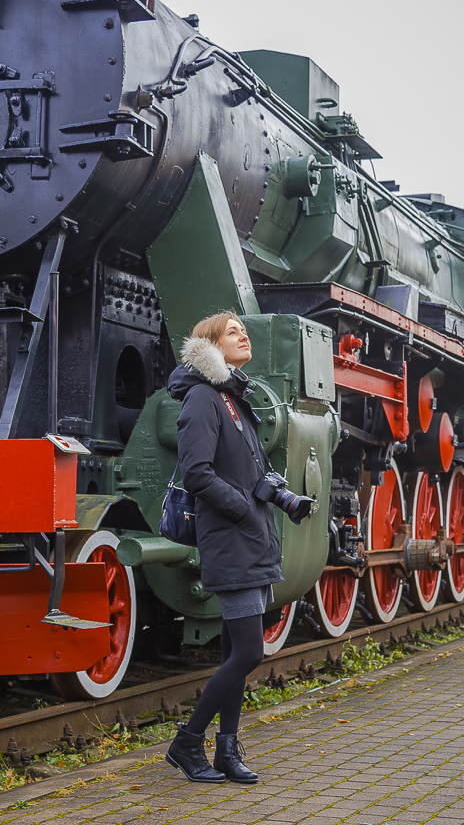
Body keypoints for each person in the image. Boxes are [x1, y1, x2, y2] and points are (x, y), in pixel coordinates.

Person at [163, 311, 284, 785]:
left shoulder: (234, 397)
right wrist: (241, 507)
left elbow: (251, 473)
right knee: (249, 653)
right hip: (231, 538)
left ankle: (227, 751)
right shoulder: (202, 398)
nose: (243, 334)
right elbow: (197, 472)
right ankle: (187, 742)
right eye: (233, 331)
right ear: (210, 345)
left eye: (243, 329)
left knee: (234, 651)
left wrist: (276, 494)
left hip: (250, 538)